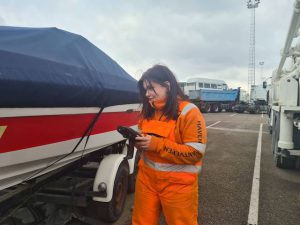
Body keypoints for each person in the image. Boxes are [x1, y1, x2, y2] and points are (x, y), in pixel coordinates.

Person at [132, 64, 207, 225]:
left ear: (167, 86)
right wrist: (141, 143)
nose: (147, 94)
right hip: (146, 180)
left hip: (178, 185)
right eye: (145, 89)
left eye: (151, 88)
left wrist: (157, 144)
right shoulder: (147, 111)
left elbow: (194, 153)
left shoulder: (189, 112)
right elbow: (146, 141)